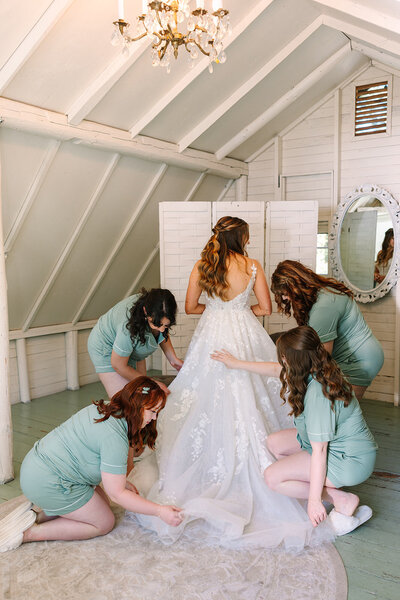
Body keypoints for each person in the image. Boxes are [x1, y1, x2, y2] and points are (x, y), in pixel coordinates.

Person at [130, 217, 333, 551]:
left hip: (212, 334)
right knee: (258, 389)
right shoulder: (252, 265)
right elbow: (266, 308)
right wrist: (241, 310)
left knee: (200, 396)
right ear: (243, 238)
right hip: (245, 333)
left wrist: (218, 308)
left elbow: (193, 306)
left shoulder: (202, 265)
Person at [212, 326, 377, 536]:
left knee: (272, 477)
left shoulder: (318, 392)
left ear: (294, 360)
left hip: (349, 460)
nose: (282, 361)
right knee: (274, 443)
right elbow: (275, 370)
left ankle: (341, 500)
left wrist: (314, 501)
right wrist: (236, 364)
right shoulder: (317, 367)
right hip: (342, 445)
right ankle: (317, 481)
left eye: (284, 357)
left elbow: (320, 451)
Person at [0, 377, 182, 553]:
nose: (154, 418)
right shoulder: (114, 437)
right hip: (48, 481)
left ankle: (36, 516)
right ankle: (27, 534)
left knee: (102, 504)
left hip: (37, 465)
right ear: (137, 405)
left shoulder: (108, 407)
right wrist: (159, 511)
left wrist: (121, 481)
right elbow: (117, 494)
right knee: (104, 522)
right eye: (152, 411)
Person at [270, 260, 384, 400]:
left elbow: (321, 358)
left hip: (359, 360)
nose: (284, 298)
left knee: (341, 411)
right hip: (359, 354)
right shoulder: (321, 292)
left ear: (295, 285)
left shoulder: (323, 307)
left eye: (285, 293)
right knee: (342, 410)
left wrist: (288, 368)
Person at [88, 288, 183, 399]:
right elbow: (118, 365)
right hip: (105, 346)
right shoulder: (126, 329)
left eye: (166, 325)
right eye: (157, 325)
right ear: (145, 312)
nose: (162, 330)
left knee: (143, 396)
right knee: (124, 401)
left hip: (132, 343)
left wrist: (173, 359)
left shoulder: (155, 305)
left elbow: (161, 333)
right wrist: (153, 383)